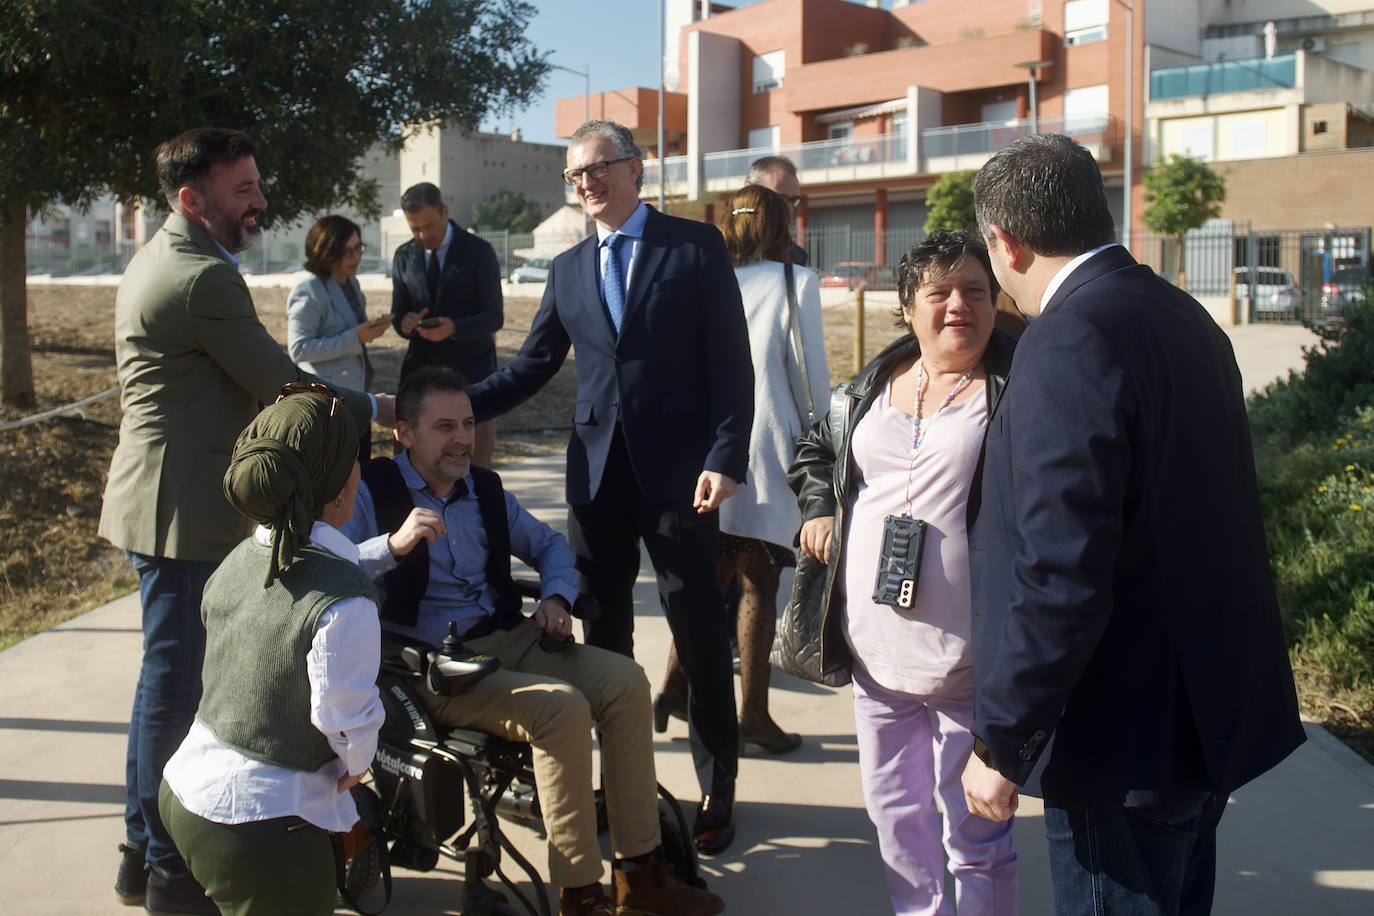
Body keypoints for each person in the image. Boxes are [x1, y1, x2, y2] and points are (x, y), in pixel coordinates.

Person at [960, 133, 1305, 914]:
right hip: (1191, 725)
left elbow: (1063, 567)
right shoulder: (1180, 314)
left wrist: (1004, 741)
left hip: (1120, 737)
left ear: (1004, 242)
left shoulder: (1069, 340)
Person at [98, 127, 390, 914]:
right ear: (193, 200)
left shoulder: (170, 254)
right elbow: (280, 379)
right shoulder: (200, 278)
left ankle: (144, 847)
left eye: (258, 185)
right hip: (183, 507)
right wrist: (376, 411)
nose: (261, 201)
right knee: (177, 686)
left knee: (166, 681)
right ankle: (165, 867)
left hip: (165, 497)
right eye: (243, 190)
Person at [466, 119, 754, 855]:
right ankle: (625, 790)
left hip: (682, 479)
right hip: (596, 481)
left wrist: (725, 455)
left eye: (597, 169)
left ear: (635, 168)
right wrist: (450, 411)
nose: (585, 183)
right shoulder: (567, 271)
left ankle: (717, 786)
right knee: (605, 638)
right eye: (574, 176)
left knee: (698, 631)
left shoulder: (693, 248)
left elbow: (730, 363)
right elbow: (530, 368)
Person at [342, 367, 726, 916]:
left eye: (468, 424)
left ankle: (640, 876)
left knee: (626, 680)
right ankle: (580, 893)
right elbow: (331, 571)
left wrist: (557, 598)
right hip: (433, 669)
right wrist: (392, 546)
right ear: (403, 432)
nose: (461, 439)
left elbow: (548, 546)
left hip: (511, 636)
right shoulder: (373, 491)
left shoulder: (486, 490)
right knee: (561, 709)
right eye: (443, 425)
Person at [788, 231, 1018, 915]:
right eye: (939, 293)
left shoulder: (1015, 386)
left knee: (978, 840)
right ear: (908, 307)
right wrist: (819, 506)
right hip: (876, 661)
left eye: (975, 292)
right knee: (896, 826)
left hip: (967, 667)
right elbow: (814, 449)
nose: (959, 306)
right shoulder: (873, 382)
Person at [159, 385, 383, 916]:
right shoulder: (343, 601)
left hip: (188, 791)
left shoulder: (238, 558)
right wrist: (359, 759)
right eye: (355, 459)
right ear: (340, 491)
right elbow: (342, 715)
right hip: (260, 825)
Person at [655, 184, 829, 755]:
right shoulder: (793, 282)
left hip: (705, 444)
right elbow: (809, 374)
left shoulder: (702, 277)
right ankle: (753, 713)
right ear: (782, 224)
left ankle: (674, 686)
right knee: (759, 581)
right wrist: (824, 441)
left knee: (712, 575)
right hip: (766, 445)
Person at [390, 181, 503, 467]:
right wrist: (405, 322)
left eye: (428, 225)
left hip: (471, 377)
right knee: (411, 467)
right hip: (420, 378)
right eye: (414, 228)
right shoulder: (404, 255)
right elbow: (398, 312)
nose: (422, 235)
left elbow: (494, 317)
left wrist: (454, 328)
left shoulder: (479, 252)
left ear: (445, 212)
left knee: (472, 469)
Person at [288, 215, 386, 460]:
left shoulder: (351, 283)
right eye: (347, 251)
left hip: (354, 399)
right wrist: (355, 338)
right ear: (327, 251)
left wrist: (368, 332)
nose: (356, 257)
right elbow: (299, 348)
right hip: (327, 404)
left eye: (358, 248)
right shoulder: (310, 289)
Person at [746, 155, 807, 266]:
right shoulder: (717, 248)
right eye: (780, 198)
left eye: (794, 200)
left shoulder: (796, 256)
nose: (787, 207)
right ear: (749, 191)